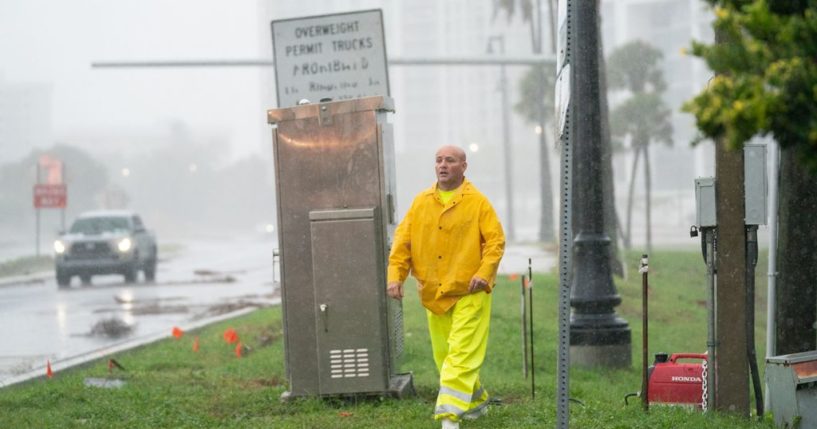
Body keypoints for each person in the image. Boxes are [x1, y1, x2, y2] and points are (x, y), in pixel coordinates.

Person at [387, 145, 505, 429]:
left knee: (461, 352)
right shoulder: (421, 202)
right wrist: (395, 276)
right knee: (445, 357)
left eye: (450, 161)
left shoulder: (477, 202)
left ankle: (449, 416)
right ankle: (475, 402)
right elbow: (402, 243)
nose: (442, 165)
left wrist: (484, 273)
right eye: (438, 160)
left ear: (463, 166)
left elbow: (495, 242)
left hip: (469, 291)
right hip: (434, 294)